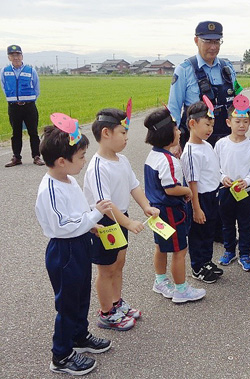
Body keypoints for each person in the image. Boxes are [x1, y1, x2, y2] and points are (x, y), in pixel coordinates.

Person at [35, 122, 112, 375]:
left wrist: (89, 224)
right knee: (67, 303)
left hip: (78, 244)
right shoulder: (50, 189)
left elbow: (75, 215)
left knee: (80, 295)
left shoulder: (67, 179)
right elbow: (62, 225)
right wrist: (93, 217)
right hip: (64, 251)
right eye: (80, 157)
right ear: (60, 161)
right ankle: (61, 355)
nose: (84, 161)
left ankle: (79, 336)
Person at [83, 108, 159, 330]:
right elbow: (105, 205)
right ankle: (106, 312)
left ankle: (116, 303)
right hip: (104, 224)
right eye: (122, 133)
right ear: (106, 133)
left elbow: (134, 185)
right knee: (106, 269)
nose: (127, 138)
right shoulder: (98, 167)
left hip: (120, 218)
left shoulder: (122, 160)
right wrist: (127, 223)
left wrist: (146, 206)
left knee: (119, 263)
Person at [144, 107, 206, 303]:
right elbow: (171, 189)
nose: (179, 132)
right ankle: (181, 290)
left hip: (156, 211)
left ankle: (160, 281)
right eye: (175, 129)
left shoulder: (152, 156)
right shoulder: (169, 160)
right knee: (179, 251)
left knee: (161, 247)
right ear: (166, 134)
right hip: (171, 212)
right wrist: (187, 191)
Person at [168, 20, 238, 149]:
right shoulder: (184, 70)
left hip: (226, 140)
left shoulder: (228, 68)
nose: (213, 47)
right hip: (195, 142)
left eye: (217, 42)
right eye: (208, 41)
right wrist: (173, 142)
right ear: (196, 41)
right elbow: (174, 109)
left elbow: (237, 102)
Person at [214, 94, 250, 272]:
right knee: (226, 223)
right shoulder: (220, 144)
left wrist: (247, 180)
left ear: (249, 123)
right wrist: (222, 177)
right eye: (237, 121)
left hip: (245, 192)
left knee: (244, 224)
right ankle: (229, 251)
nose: (241, 125)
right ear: (228, 123)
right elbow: (215, 166)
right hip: (226, 191)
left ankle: (244, 253)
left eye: (245, 121)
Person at [181, 101, 224, 283]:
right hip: (200, 199)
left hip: (212, 195)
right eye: (207, 124)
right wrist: (197, 209)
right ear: (192, 124)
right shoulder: (190, 152)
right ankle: (197, 267)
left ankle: (207, 261)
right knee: (198, 233)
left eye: (212, 125)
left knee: (209, 231)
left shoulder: (207, 145)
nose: (210, 129)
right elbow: (192, 183)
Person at [1, 44, 44, 167]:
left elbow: (37, 89)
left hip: (29, 106)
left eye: (18, 55)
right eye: (12, 55)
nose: (16, 57)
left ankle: (36, 156)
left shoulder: (31, 71)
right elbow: (4, 87)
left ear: (22, 56)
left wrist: (29, 100)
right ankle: (16, 157)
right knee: (16, 133)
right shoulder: (4, 71)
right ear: (9, 57)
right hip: (14, 107)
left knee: (33, 132)